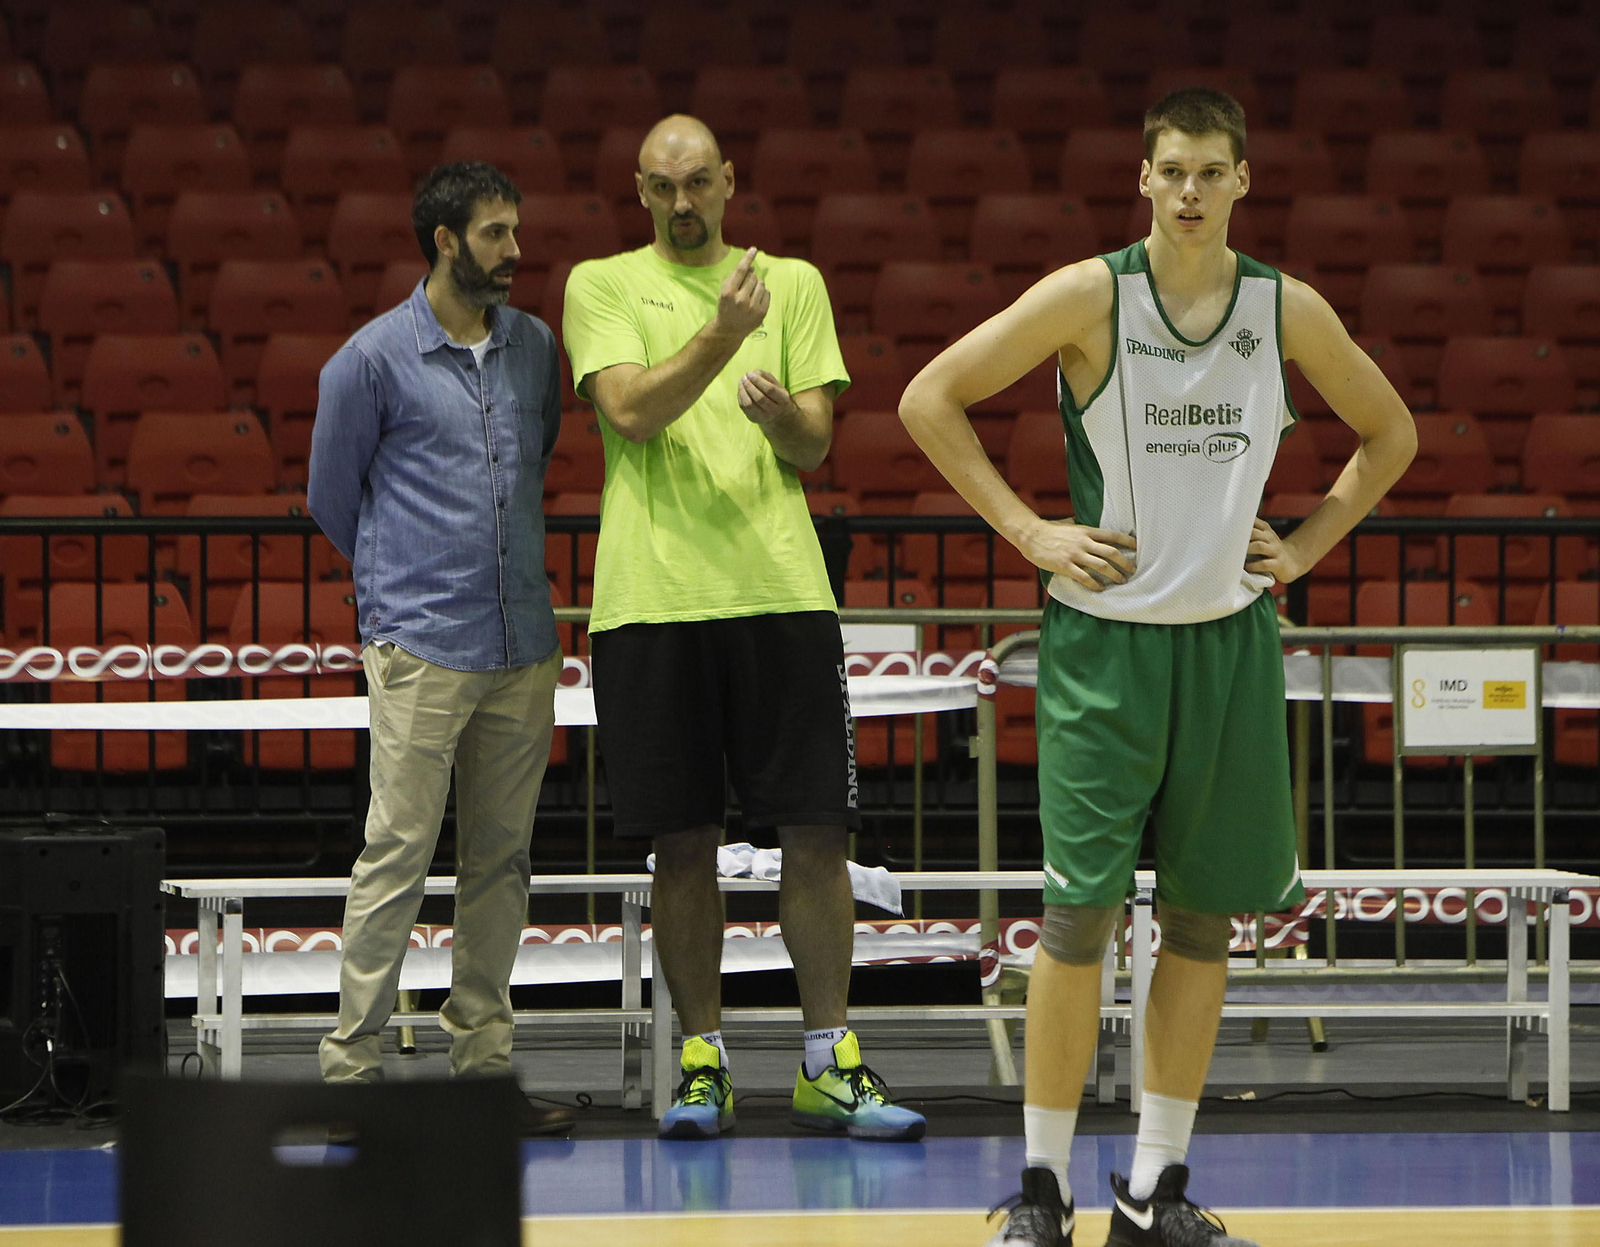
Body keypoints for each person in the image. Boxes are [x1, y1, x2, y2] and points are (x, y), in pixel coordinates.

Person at [899, 89, 1416, 1245]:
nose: (1189, 189)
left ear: (1243, 180)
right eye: (1171, 169)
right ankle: (1041, 1190)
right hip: (1104, 648)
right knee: (1076, 922)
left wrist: (1311, 542)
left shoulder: (1283, 308)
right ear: (1142, 178)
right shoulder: (1094, 293)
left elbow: (1393, 435)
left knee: (1198, 924)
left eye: (1210, 171)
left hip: (1230, 642)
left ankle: (1154, 1187)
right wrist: (1030, 532)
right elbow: (928, 398)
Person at [561, 114, 924, 1143]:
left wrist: (780, 418)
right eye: (663, 187)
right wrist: (720, 334)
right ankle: (702, 1062)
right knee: (681, 843)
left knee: (817, 832)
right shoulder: (601, 284)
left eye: (700, 184)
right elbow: (629, 411)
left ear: (730, 181)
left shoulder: (791, 284)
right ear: (639, 190)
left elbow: (815, 442)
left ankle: (827, 1061)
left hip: (780, 589)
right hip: (653, 598)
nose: (683, 203)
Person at [307, 162, 573, 1136]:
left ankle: (480, 1071)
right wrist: (400, 593)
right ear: (444, 240)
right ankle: (348, 1078)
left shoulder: (536, 348)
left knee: (501, 863)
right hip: (420, 641)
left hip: (520, 639)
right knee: (396, 854)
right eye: (495, 233)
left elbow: (535, 452)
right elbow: (333, 500)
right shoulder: (368, 361)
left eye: (514, 230)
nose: (514, 250)